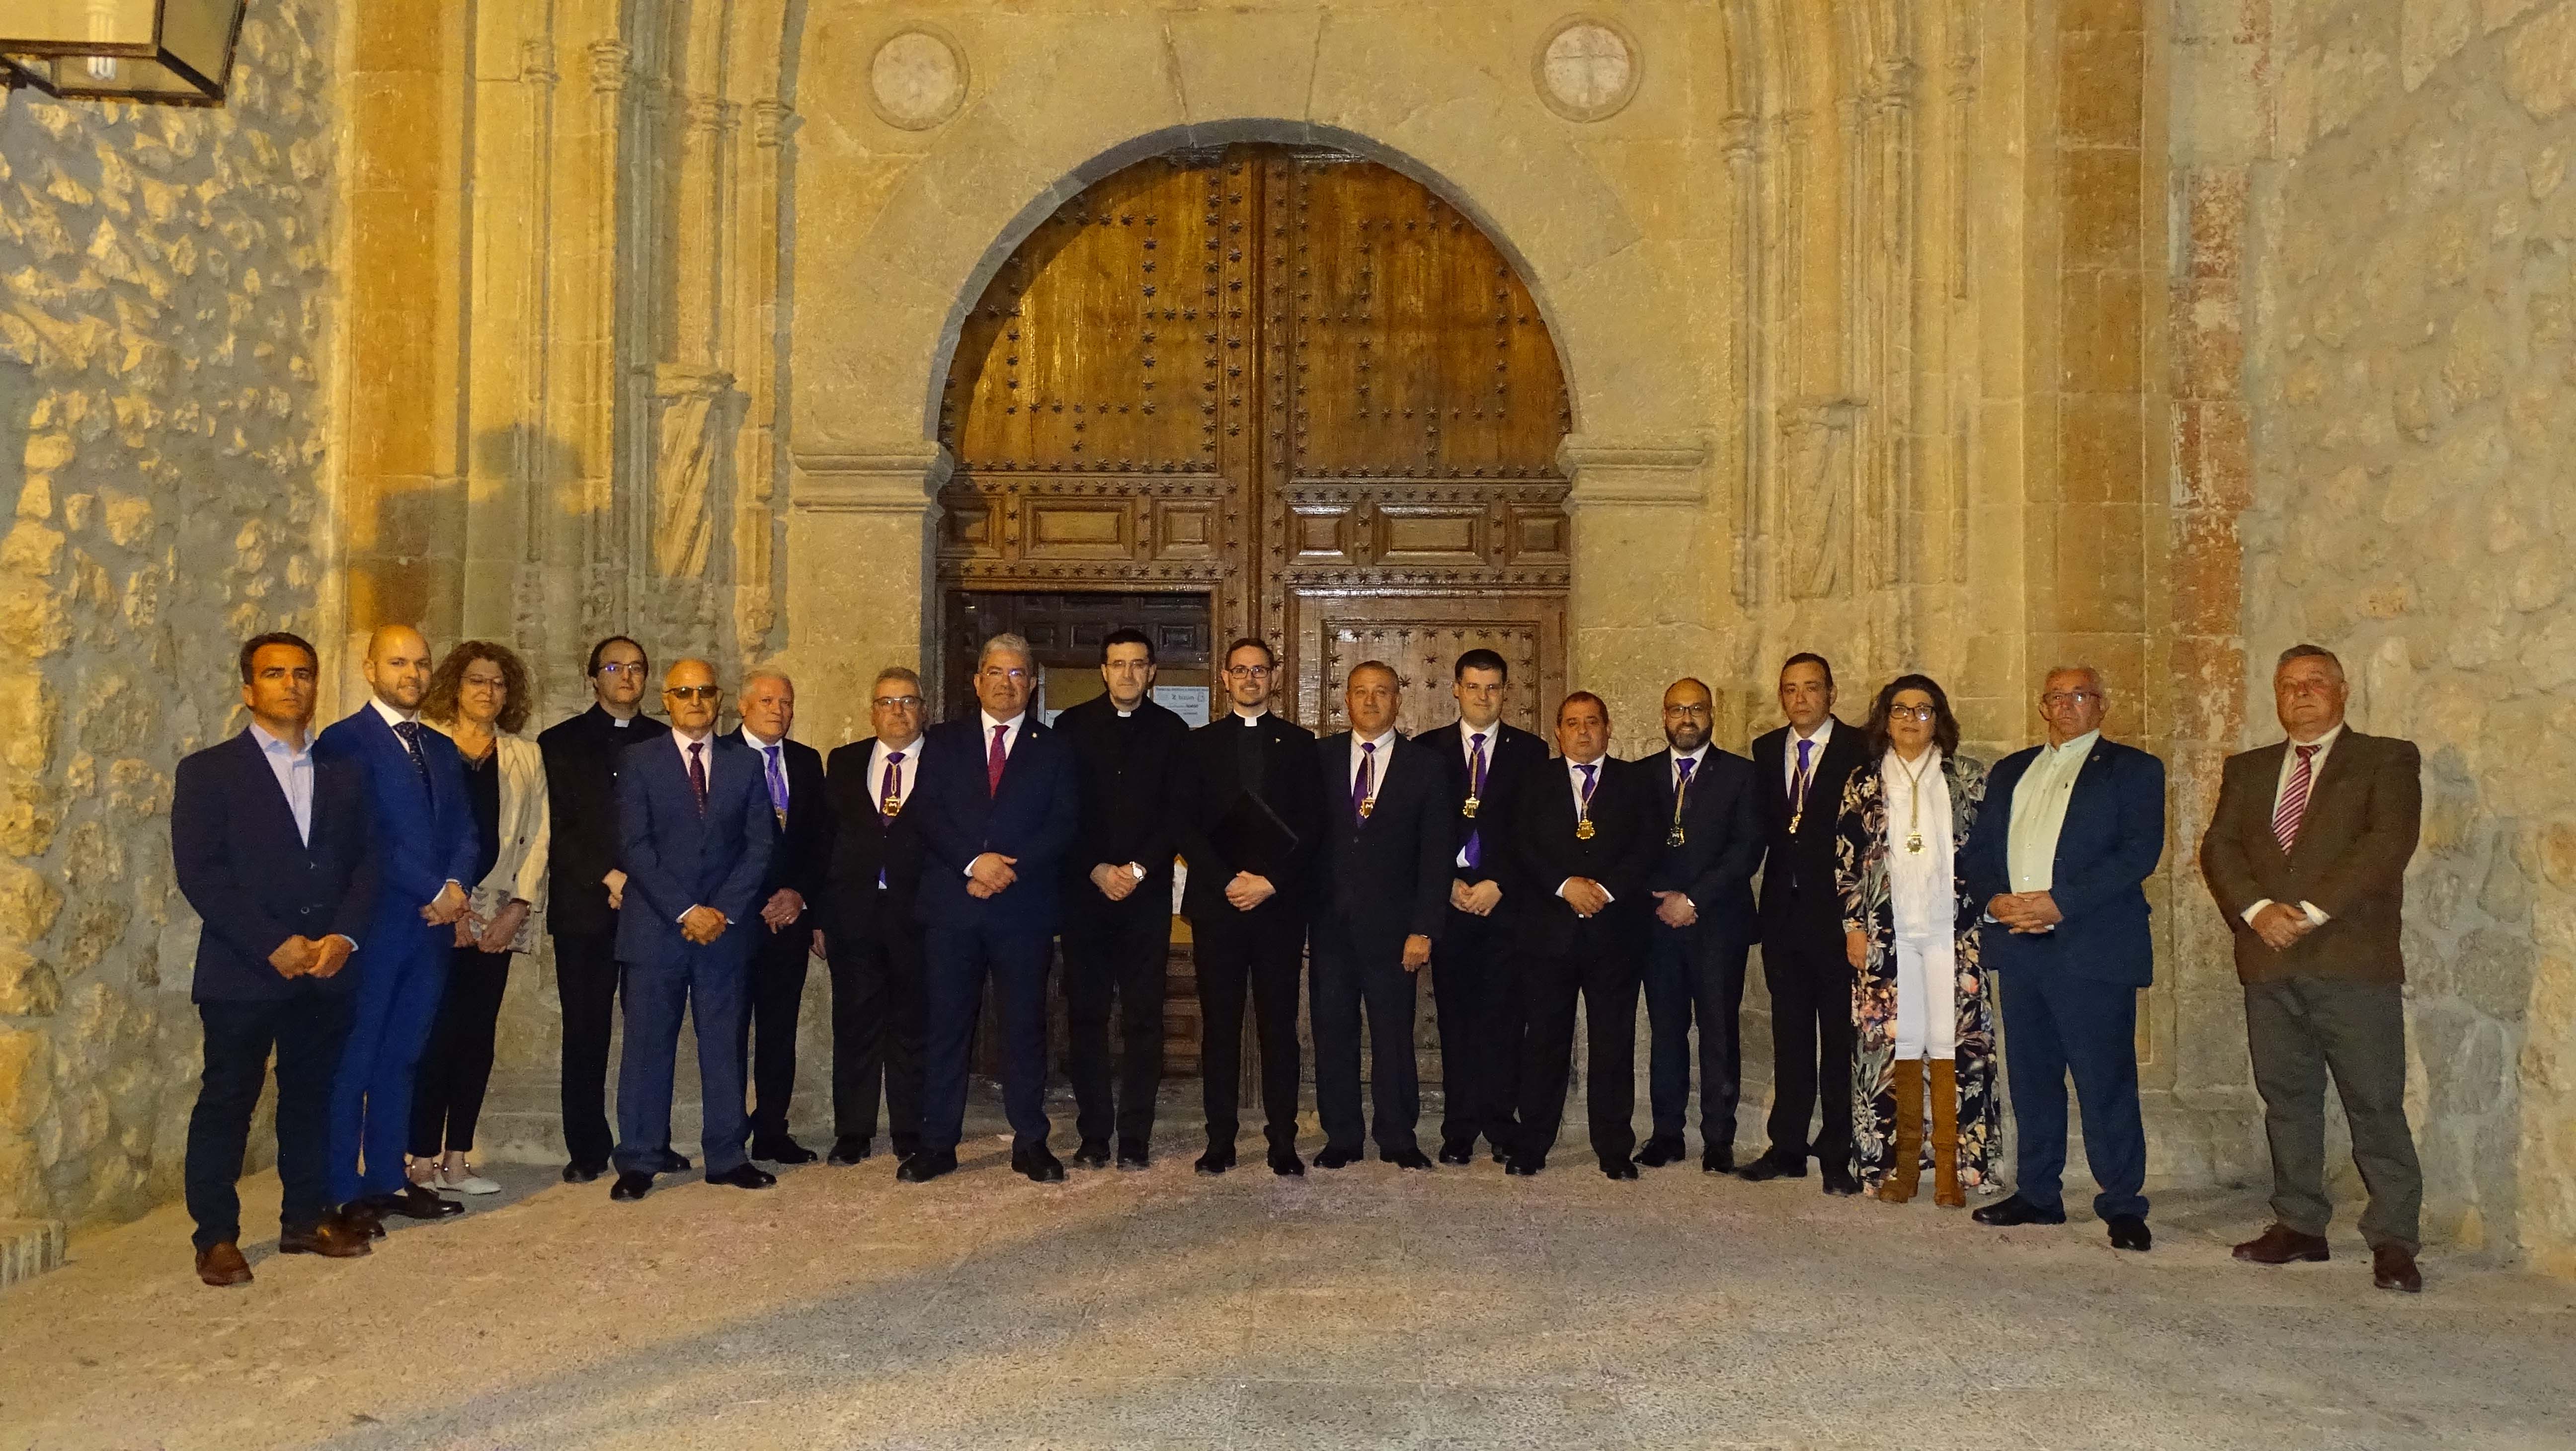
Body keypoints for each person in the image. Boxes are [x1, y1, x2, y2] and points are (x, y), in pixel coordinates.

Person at [2200, 644, 2425, 1292]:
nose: (2302, 694)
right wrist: (2257, 909)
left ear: (2343, 690)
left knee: (2374, 1103)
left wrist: (2309, 910)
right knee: (2288, 1100)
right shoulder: (2249, 769)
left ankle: (2394, 1240)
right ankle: (2299, 1225)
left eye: (2316, 683)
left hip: (2352, 961)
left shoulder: (2385, 759)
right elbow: (2220, 848)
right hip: (2269, 960)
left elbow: (2387, 844)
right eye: (2290, 685)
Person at [173, 633, 378, 1285]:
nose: (292, 684)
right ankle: (215, 1237)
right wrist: (272, 943)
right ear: (248, 689)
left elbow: (369, 864)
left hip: (325, 969)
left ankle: (305, 1218)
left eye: (303, 674)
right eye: (275, 674)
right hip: (243, 970)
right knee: (228, 1101)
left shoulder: (346, 772)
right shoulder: (208, 772)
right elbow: (202, 876)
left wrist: (343, 938)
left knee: (311, 1098)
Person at [1964, 666, 2164, 1251]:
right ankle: (2038, 1193)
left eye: (2081, 695)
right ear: (2043, 707)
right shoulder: (2011, 770)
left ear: (2102, 706)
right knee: (2032, 1079)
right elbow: (1979, 852)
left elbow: (2138, 853)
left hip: (2091, 947)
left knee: (2105, 1080)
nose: (2068, 705)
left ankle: (2123, 1202)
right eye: (2057, 696)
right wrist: (1996, 899)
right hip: (2020, 948)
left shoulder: (2134, 769)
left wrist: (2058, 903)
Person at [902, 633, 1080, 1184]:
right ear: (977, 680)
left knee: (1025, 1028)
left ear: (1033, 683)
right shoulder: (942, 741)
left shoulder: (1054, 748)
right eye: (996, 673)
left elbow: (1065, 824)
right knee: (947, 1027)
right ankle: (938, 1143)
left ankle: (1030, 1141)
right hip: (953, 909)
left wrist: (1006, 870)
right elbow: (926, 814)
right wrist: (973, 864)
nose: (1007, 684)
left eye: (1019, 674)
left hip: (1022, 910)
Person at [315, 625, 476, 1229]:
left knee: (404, 1056)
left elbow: (465, 826)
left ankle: (387, 1177)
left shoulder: (437, 745)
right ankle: (342, 1186)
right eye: (399, 662)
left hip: (430, 931)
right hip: (375, 923)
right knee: (354, 1059)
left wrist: (456, 887)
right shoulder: (343, 741)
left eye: (422, 663)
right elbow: (365, 833)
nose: (412, 674)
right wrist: (435, 889)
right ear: (370, 668)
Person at [606, 659, 779, 1201]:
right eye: (685, 692)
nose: (696, 700)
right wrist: (686, 910)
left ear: (720, 698)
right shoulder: (638, 761)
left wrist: (721, 912)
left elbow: (760, 846)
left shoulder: (745, 764)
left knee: (725, 1045)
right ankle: (639, 1157)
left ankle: (728, 1155)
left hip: (724, 932)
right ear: (667, 700)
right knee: (646, 1048)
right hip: (656, 929)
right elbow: (636, 847)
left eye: (705, 691)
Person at [1834, 674, 1999, 1209]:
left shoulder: (1968, 778)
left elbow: (1988, 855)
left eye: (1923, 709)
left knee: (1952, 1043)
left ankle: (1953, 1170)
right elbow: (1846, 862)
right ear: (1885, 718)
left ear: (1940, 719)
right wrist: (1854, 926)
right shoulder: (1863, 781)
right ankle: (1899, 1167)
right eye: (1900, 709)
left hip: (1953, 933)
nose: (1910, 719)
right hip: (1889, 933)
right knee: (1898, 1045)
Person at [1173, 638, 1321, 1176]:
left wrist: (1271, 882)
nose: (1251, 679)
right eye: (1241, 670)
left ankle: (1283, 1139)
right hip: (1219, 906)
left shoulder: (1301, 745)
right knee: (1221, 1027)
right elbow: (1184, 825)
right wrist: (1229, 880)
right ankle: (1220, 1141)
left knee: (1279, 1027)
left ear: (1274, 678)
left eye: (1260, 670)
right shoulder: (1199, 744)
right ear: (1225, 678)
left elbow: (1313, 827)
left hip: (1278, 908)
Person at [410, 641, 550, 1198]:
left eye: (498, 683)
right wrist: (454, 911)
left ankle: (458, 1158)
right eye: (476, 681)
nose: (488, 691)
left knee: (476, 1039)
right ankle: (418, 1158)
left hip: (499, 915)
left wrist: (518, 907)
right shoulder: (426, 746)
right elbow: (417, 832)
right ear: (455, 687)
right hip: (439, 912)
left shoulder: (526, 755)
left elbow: (540, 834)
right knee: (432, 1036)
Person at [1502, 692, 1657, 1178]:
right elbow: (1520, 843)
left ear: (1609, 728)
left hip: (1616, 934)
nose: (1584, 731)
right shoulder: (1534, 781)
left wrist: (1606, 890)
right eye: (1573, 723)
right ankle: (1533, 1143)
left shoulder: (1636, 781)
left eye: (1593, 722)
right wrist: (1566, 885)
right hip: (1549, 933)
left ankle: (1613, 1147)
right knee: (1544, 1040)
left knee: (1613, 1042)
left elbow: (1647, 846)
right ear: (1558, 732)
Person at [1053, 628, 1190, 1170]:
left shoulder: (1174, 731)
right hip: (1086, 894)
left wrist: (1134, 869)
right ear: (1103, 671)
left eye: (1138, 665)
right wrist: (1097, 869)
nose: (1128, 674)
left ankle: (1134, 1134)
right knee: (1086, 1016)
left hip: (1145, 896)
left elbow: (1178, 814)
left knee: (1143, 1020)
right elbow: (1062, 812)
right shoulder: (1070, 728)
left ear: (1152, 672)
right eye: (1118, 664)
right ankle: (1093, 1134)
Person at [1310, 660, 1454, 1171]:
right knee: (1333, 1033)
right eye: (1360, 692)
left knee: (1394, 1037)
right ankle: (1342, 1136)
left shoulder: (1426, 767)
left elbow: (1437, 855)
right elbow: (1306, 843)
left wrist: (1424, 927)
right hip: (1330, 927)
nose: (1370, 701)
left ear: (1399, 700)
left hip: (1396, 932)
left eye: (1382, 692)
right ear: (1345, 700)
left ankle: (1398, 1136)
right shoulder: (1319, 758)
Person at [1742, 653, 1871, 1193]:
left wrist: (1861, 918)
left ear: (1832, 694)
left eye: (1811, 688)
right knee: (1790, 1035)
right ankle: (1788, 1145)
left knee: (1840, 1038)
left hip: (1838, 919)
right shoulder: (1767, 750)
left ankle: (1838, 1151)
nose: (1800, 698)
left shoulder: (1860, 749)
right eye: (1790, 688)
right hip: (1782, 917)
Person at [536, 635, 663, 1183]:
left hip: (650, 907)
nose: (627, 677)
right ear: (594, 677)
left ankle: (648, 1138)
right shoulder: (558, 742)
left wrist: (639, 881)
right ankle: (587, 1146)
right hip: (584, 908)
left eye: (636, 668)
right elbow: (555, 826)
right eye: (615, 667)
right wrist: (609, 875)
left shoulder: (665, 740)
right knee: (585, 1029)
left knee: (650, 1028)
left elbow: (673, 826)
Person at [1424, 648, 1548, 1166]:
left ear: (1505, 691)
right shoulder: (1429, 750)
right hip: (1450, 904)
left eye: (1493, 687)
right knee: (1456, 1022)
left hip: (1505, 907)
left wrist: (1500, 881)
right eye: (1473, 686)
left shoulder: (1530, 752)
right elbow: (1420, 831)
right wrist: (1446, 882)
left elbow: (1536, 833)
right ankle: (1458, 1129)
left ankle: (1500, 1122)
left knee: (1502, 1021)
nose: (1483, 696)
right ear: (1456, 688)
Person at [1634, 678, 1764, 1173]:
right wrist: (1661, 896)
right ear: (1663, 716)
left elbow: (1746, 849)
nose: (1686, 718)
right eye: (1676, 710)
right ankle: (1667, 1133)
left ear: (1713, 714)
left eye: (1696, 709)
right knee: (1665, 1030)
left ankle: (1718, 1138)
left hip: (1718, 922)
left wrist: (1693, 898)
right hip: (1657, 922)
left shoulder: (1740, 775)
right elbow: (1630, 843)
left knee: (1718, 1029)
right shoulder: (1641, 776)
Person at [820, 668, 930, 1166]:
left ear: (923, 709)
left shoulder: (945, 762)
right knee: (855, 1023)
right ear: (872, 711)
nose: (898, 711)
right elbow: (823, 845)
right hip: (855, 915)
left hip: (921, 915)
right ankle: (854, 1131)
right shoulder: (843, 762)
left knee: (913, 1025)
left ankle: (909, 1128)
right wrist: (820, 916)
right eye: (887, 702)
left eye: (908, 701)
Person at [733, 668, 832, 1166]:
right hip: (734, 923)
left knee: (779, 1032)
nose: (779, 710)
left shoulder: (807, 762)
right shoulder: (720, 756)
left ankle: (773, 1130)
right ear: (742, 706)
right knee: (728, 1033)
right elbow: (710, 846)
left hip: (789, 923)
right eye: (768, 700)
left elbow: (820, 841)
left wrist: (800, 896)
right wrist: (752, 901)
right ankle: (728, 1135)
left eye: (787, 702)